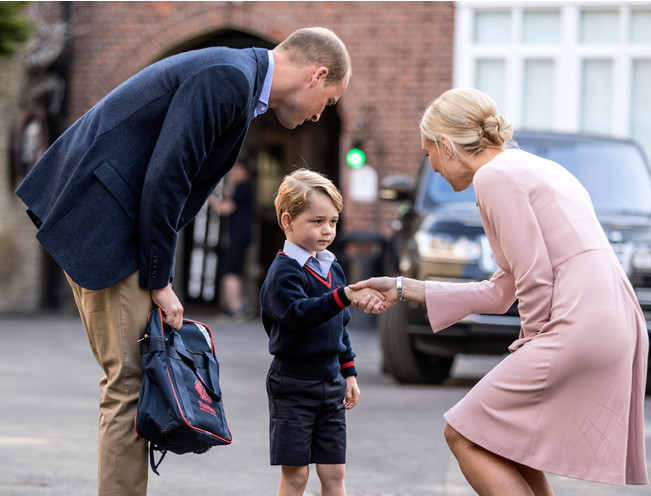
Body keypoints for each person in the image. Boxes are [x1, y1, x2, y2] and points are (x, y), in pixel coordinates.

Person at [15, 27, 351, 496]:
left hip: (110, 225)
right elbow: (167, 179)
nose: (321, 115)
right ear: (317, 75)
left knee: (129, 381)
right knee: (130, 385)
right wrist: (161, 279)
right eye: (329, 101)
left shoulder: (237, 77)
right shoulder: (228, 78)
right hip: (109, 230)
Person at [351, 88, 649, 494]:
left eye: (428, 154)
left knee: (463, 433)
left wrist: (531, 340)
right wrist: (402, 287)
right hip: (612, 318)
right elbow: (501, 289)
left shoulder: (494, 177)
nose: (432, 165)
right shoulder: (534, 168)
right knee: (505, 443)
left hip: (576, 323)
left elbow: (533, 275)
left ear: (447, 145)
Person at [260, 169, 384, 496]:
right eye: (317, 221)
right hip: (294, 384)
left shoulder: (333, 268)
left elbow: (339, 326)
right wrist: (342, 297)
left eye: (333, 221)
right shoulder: (282, 274)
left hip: (331, 384)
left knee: (334, 474)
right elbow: (299, 315)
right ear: (288, 221)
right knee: (296, 475)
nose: (327, 230)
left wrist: (350, 373)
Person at [208, 159, 255, 321]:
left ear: (246, 172)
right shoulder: (242, 189)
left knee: (228, 270)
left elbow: (225, 209)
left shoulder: (243, 188)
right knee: (234, 269)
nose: (234, 173)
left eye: (238, 170)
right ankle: (242, 304)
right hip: (241, 236)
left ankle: (236, 309)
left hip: (238, 236)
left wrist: (207, 198)